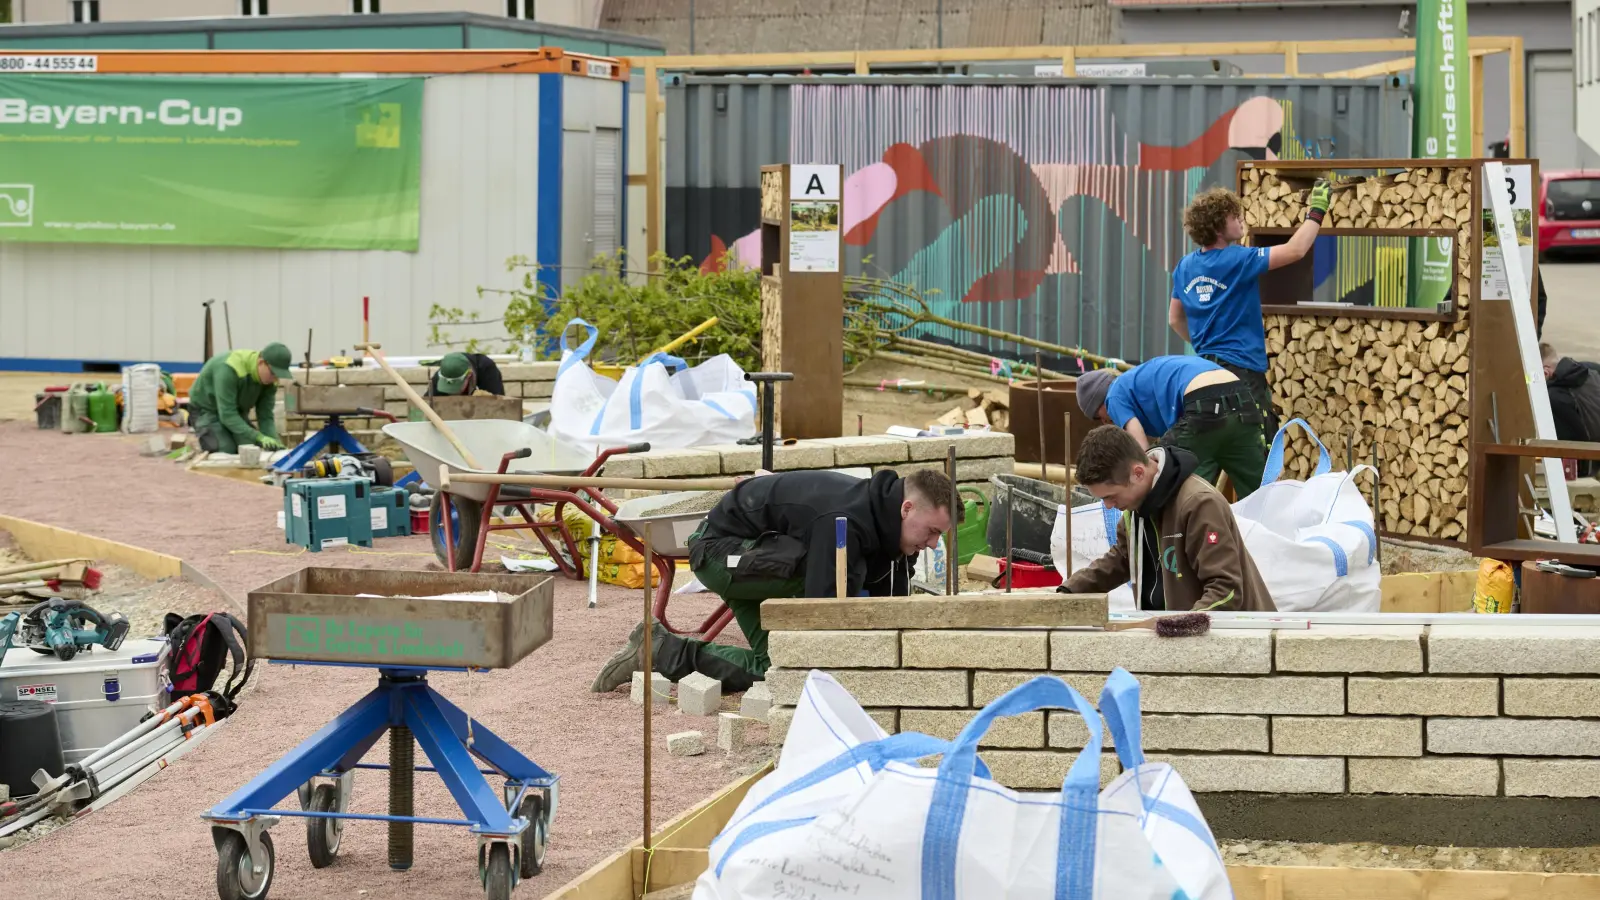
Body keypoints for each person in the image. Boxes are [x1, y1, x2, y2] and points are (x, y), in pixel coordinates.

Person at [591, 468, 957, 693]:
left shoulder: (882, 515)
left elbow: (887, 592)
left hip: (757, 555)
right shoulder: (843, 522)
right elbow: (824, 613)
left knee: (778, 669)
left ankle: (661, 650)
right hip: (721, 553)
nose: (933, 544)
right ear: (906, 509)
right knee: (828, 586)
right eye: (931, 532)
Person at [1168, 181, 1330, 441]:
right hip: (1241, 375)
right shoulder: (1238, 258)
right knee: (1258, 448)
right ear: (1219, 226)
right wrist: (1317, 211)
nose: (1241, 219)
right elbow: (1295, 250)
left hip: (1202, 371)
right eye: (1234, 216)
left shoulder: (1185, 266)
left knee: (1214, 446)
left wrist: (1204, 344)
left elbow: (1174, 319)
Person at [1057, 425, 1274, 612]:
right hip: (1176, 637)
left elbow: (1226, 591)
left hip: (1232, 641)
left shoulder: (1198, 504)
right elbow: (1121, 560)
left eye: (1110, 496)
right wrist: (1068, 591)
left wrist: (1179, 627)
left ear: (1138, 473)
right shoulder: (1135, 509)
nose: (1108, 505)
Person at [1074, 356, 1267, 497]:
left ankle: (1184, 544)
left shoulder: (1113, 395)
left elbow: (1141, 450)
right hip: (1240, 397)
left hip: (1204, 403)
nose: (1106, 422)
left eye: (1098, 417)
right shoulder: (1136, 382)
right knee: (1259, 492)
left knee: (1168, 483)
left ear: (1099, 404)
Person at [189, 343, 295, 454]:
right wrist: (258, 436)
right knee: (226, 450)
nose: (275, 379)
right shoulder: (229, 369)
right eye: (273, 373)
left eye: (278, 375)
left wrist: (275, 445)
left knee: (250, 447)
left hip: (236, 413)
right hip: (206, 411)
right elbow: (227, 414)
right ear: (261, 362)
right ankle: (206, 437)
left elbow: (265, 416)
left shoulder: (270, 382)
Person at [1543, 342, 1600, 477]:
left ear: (1545, 371)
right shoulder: (1591, 368)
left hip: (1591, 462)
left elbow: (1574, 442)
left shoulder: (1554, 398)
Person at [427, 351, 505, 397]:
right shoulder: (444, 372)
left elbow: (503, 408)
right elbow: (424, 408)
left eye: (455, 387)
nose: (451, 392)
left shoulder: (486, 369)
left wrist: (488, 399)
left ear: (469, 375)